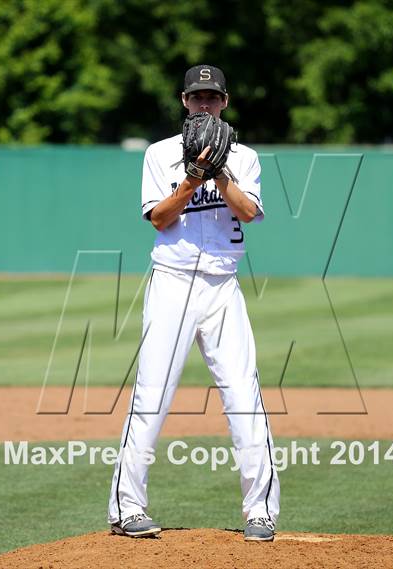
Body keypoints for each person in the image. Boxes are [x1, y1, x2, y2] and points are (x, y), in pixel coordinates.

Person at [108, 64, 280, 541]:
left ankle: (260, 512)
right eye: (197, 97)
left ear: (225, 102)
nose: (205, 104)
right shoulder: (159, 155)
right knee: (152, 394)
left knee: (244, 396)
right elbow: (159, 219)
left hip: (223, 286)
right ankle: (127, 509)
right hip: (173, 282)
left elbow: (249, 212)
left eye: (213, 97)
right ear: (184, 101)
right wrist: (190, 179)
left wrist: (218, 173)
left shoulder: (243, 157)